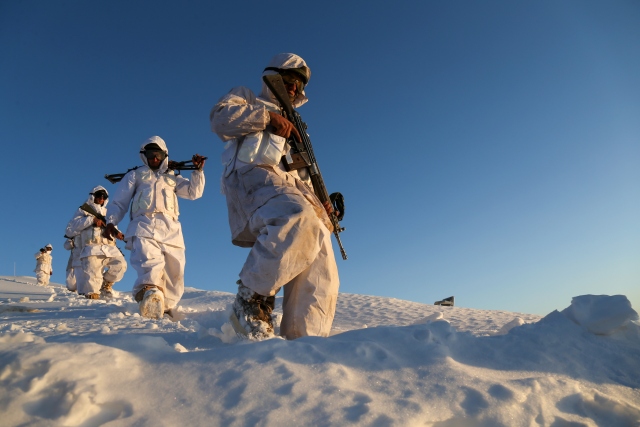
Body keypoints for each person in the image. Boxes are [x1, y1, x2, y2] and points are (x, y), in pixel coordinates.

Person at [210, 53, 340, 340]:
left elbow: (301, 175)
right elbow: (220, 120)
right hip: (252, 178)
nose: (294, 87)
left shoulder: (297, 126)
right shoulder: (247, 98)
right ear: (273, 76)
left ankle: (306, 340)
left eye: (298, 84)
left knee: (320, 246)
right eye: (289, 80)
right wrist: (266, 118)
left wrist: (324, 205)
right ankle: (251, 297)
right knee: (298, 215)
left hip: (286, 186)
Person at [104, 136, 205, 319]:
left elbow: (194, 192)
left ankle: (164, 305)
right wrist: (111, 221)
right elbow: (119, 202)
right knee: (150, 262)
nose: (154, 158)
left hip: (171, 229)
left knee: (176, 271)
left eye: (158, 154)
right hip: (144, 225)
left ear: (164, 155)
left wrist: (197, 172)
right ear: (144, 155)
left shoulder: (173, 176)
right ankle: (149, 292)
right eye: (150, 154)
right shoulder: (135, 175)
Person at [65, 186, 127, 299]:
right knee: (93, 275)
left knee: (121, 266)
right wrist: (91, 220)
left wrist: (119, 233)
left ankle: (106, 284)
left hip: (110, 248)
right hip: (92, 248)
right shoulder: (83, 210)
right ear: (93, 196)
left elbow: (113, 227)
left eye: (104, 197)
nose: (101, 199)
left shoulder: (108, 213)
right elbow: (70, 228)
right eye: (99, 196)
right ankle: (93, 299)